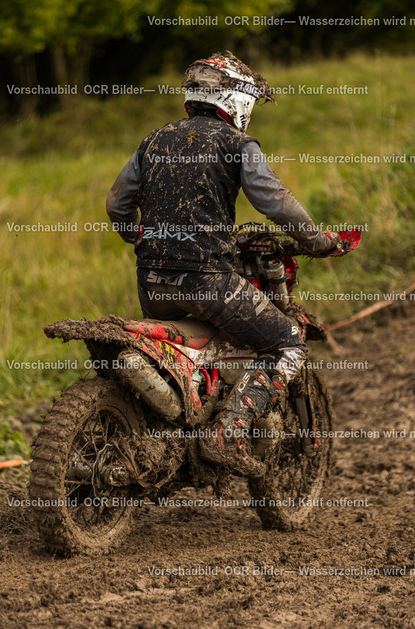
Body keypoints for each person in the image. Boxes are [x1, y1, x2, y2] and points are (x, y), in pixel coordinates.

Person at [106, 51, 341, 478]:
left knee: (195, 346)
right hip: (208, 282)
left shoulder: (154, 140)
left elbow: (117, 205)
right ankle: (226, 434)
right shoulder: (236, 143)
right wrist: (318, 240)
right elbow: (274, 201)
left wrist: (139, 236)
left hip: (152, 284)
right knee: (287, 342)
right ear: (239, 99)